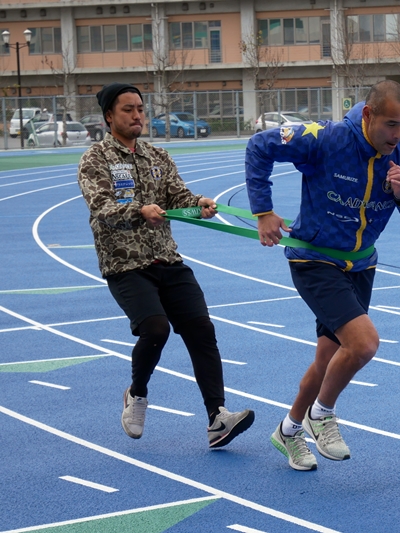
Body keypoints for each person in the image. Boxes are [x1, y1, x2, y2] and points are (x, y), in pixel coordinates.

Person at [245, 80, 400, 471]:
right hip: (314, 259)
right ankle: (321, 414)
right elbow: (259, 146)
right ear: (368, 115)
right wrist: (263, 211)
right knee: (363, 344)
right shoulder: (325, 138)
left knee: (328, 358)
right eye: (391, 124)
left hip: (362, 264)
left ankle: (288, 430)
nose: (398, 134)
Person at [77, 83, 255, 447]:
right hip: (125, 264)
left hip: (167, 258)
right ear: (109, 116)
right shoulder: (95, 160)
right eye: (128, 109)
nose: (137, 115)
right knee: (155, 329)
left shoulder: (158, 156)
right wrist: (139, 211)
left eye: (140, 109)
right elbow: (102, 208)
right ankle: (137, 394)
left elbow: (178, 196)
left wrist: (198, 204)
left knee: (201, 329)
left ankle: (217, 417)